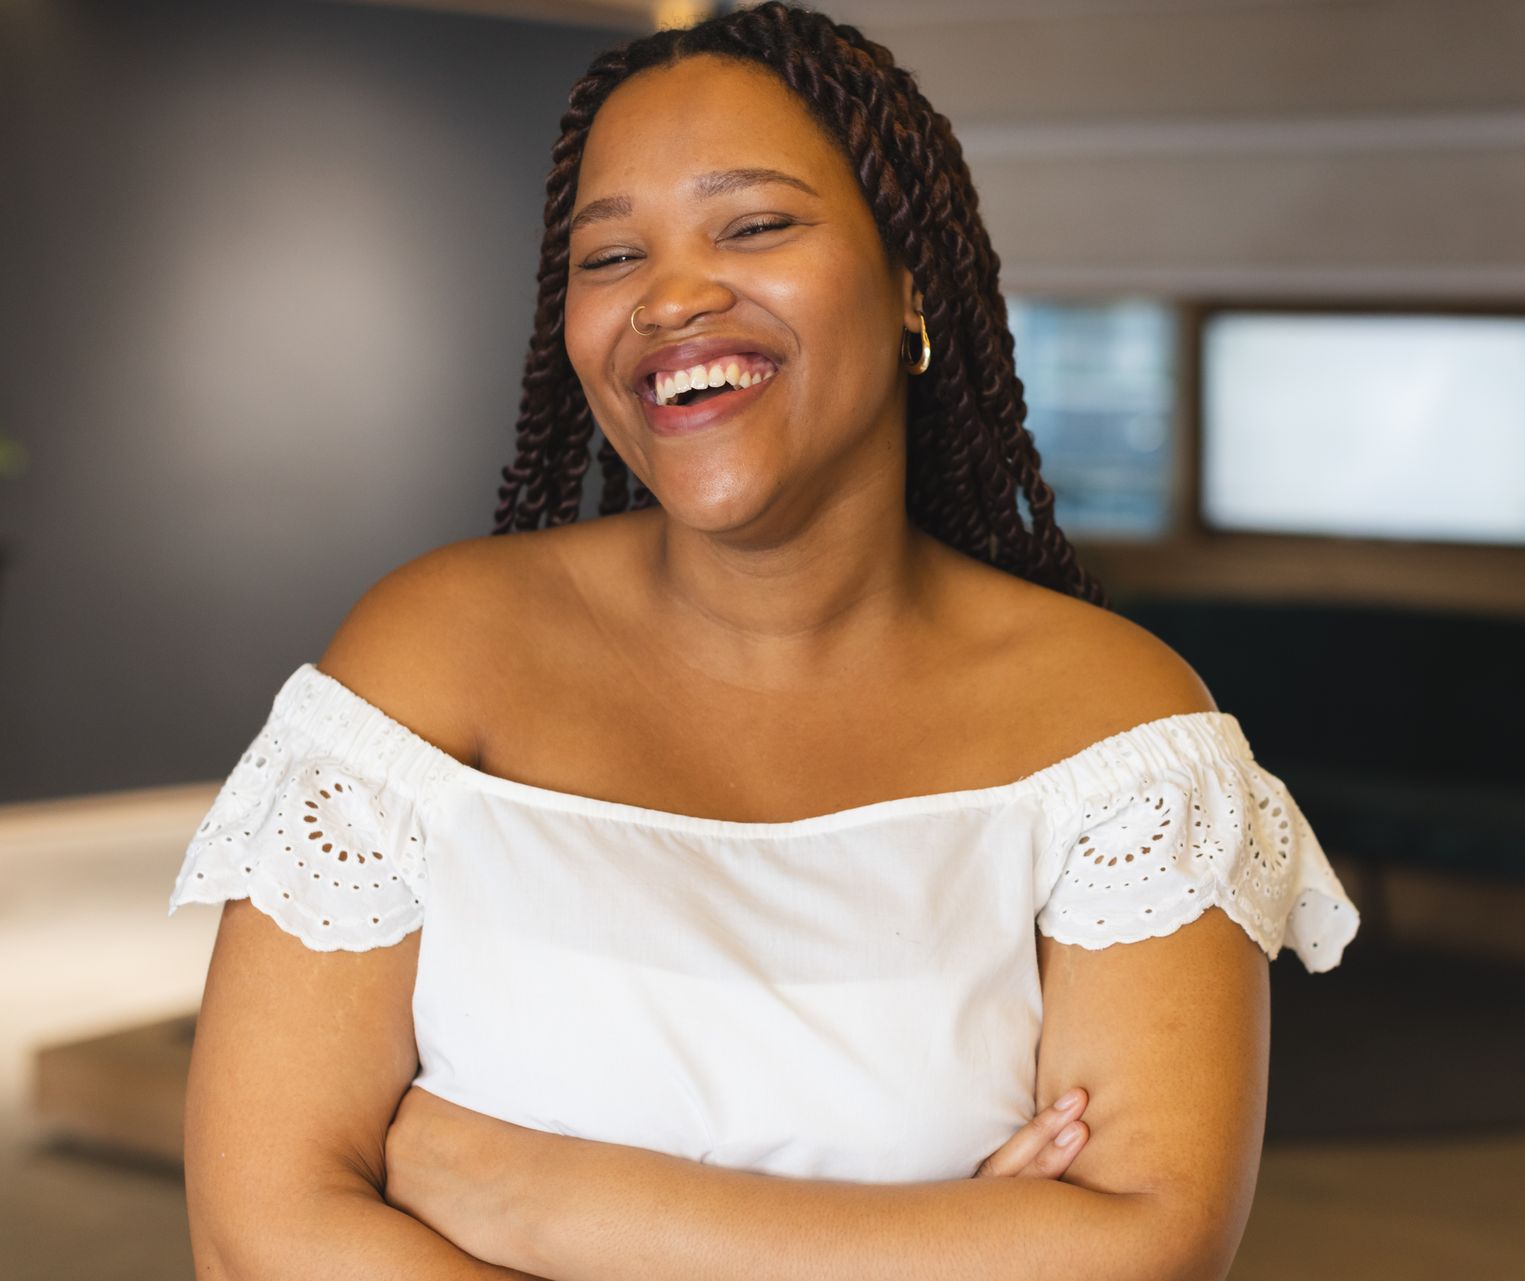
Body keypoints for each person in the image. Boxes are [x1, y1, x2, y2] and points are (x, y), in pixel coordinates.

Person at [166, 4, 1360, 1278]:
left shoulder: (1117, 734)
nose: (672, 297)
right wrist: (935, 1243)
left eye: (755, 225)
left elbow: (1141, 1252)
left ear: (912, 281)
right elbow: (262, 1231)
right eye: (610, 256)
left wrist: (535, 1202)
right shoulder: (435, 658)